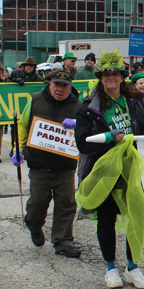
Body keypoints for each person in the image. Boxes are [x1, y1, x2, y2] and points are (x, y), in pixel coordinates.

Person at [75, 49, 144, 288]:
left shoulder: (133, 101)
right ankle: (110, 268)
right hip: (104, 170)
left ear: (121, 76)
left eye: (115, 73)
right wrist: (108, 136)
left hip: (132, 169)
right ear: (100, 77)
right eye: (106, 74)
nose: (111, 78)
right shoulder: (88, 107)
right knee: (106, 218)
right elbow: (82, 142)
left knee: (134, 216)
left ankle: (132, 267)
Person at [11, 70, 82, 257]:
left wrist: (77, 124)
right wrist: (18, 149)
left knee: (66, 203)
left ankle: (63, 241)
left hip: (65, 167)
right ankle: (34, 224)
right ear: (49, 84)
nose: (60, 89)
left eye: (64, 85)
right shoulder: (35, 100)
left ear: (70, 87)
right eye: (56, 84)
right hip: (39, 165)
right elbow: (23, 125)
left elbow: (86, 130)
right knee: (38, 203)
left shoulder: (78, 106)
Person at [8, 56, 44, 157]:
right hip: (16, 106)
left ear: (34, 67)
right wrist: (14, 81)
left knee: (30, 128)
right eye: (27, 65)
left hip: (30, 108)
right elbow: (7, 86)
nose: (28, 67)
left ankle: (27, 149)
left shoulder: (37, 78)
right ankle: (14, 148)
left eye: (31, 65)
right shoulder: (15, 73)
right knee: (15, 129)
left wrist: (44, 83)